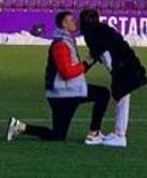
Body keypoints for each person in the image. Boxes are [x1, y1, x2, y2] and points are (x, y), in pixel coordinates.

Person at [6, 11, 110, 144]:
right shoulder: (61, 44)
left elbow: (75, 71)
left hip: (62, 93)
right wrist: (87, 63)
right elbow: (67, 72)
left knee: (57, 135)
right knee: (103, 94)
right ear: (64, 25)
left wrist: (90, 61)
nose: (75, 22)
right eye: (72, 20)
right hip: (66, 93)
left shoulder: (65, 41)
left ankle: (20, 127)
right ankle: (94, 133)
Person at [78, 9, 147, 148]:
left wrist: (116, 73)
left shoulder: (93, 35)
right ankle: (118, 133)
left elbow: (103, 55)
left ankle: (120, 135)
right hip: (127, 65)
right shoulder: (102, 30)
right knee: (122, 98)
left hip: (123, 68)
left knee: (122, 98)